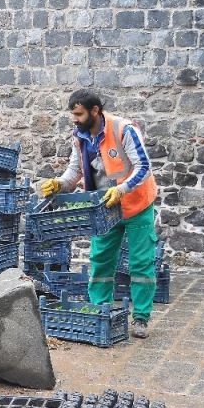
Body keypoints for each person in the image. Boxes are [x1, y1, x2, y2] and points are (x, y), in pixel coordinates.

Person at [40, 89, 158, 339]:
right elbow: (75, 172)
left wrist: (121, 189)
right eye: (73, 114)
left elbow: (144, 167)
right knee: (101, 260)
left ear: (95, 111)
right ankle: (98, 309)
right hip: (103, 209)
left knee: (140, 263)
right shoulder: (80, 136)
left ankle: (141, 318)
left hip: (136, 205)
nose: (75, 119)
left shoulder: (124, 130)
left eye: (79, 114)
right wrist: (58, 184)